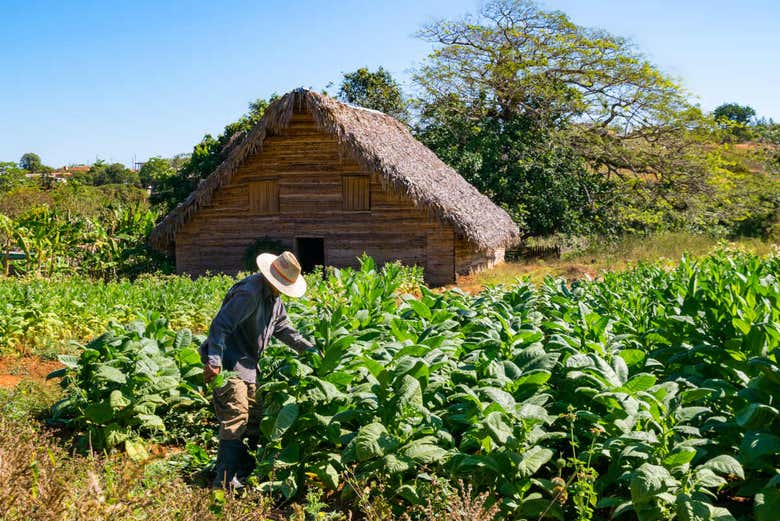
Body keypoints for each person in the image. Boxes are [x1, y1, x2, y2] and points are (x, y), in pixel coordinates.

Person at [200, 250, 314, 489]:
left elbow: (283, 327)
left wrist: (310, 349)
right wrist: (214, 360)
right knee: (237, 415)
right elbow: (221, 325)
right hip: (228, 363)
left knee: (254, 417)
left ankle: (242, 471)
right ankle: (224, 481)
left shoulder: (273, 297)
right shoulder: (249, 293)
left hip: (249, 366)